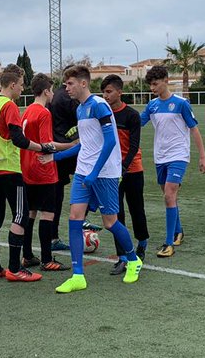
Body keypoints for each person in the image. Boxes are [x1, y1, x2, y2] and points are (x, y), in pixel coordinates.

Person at [39, 65, 142, 294]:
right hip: (84, 171)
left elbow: (110, 143)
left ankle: (133, 260)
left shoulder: (99, 105)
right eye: (66, 85)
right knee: (74, 218)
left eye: (70, 84)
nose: (66, 88)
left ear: (83, 83)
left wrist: (96, 172)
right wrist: (55, 158)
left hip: (104, 172)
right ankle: (78, 276)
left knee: (110, 222)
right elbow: (84, 145)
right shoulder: (80, 109)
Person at [0, 64, 54, 282]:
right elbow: (18, 139)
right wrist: (42, 148)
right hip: (8, 168)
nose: (22, 90)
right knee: (21, 214)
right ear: (12, 85)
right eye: (20, 85)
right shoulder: (9, 106)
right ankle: (14, 269)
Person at [140, 64, 205, 257]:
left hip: (178, 155)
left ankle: (168, 243)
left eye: (155, 84)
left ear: (166, 81)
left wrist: (202, 157)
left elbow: (194, 129)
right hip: (159, 156)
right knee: (169, 196)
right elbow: (138, 123)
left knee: (169, 195)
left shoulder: (181, 103)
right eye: (150, 85)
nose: (152, 88)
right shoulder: (152, 105)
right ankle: (179, 231)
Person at [21, 73, 71, 272]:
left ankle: (27, 256)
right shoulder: (43, 113)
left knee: (31, 212)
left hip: (27, 168)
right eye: (51, 90)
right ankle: (47, 259)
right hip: (43, 168)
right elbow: (46, 145)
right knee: (48, 214)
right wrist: (71, 145)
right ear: (45, 91)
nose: (53, 94)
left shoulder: (26, 112)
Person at [101, 75, 149, 273]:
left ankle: (142, 243)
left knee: (137, 209)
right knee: (116, 214)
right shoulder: (102, 114)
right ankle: (122, 256)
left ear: (120, 92)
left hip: (132, 170)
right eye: (104, 92)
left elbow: (134, 145)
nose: (106, 95)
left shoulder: (131, 115)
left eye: (109, 91)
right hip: (112, 173)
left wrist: (124, 166)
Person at [46, 82, 80, 252]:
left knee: (55, 196)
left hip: (58, 151)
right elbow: (81, 117)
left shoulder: (57, 96)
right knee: (90, 181)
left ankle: (52, 237)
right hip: (67, 149)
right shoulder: (66, 97)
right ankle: (83, 218)